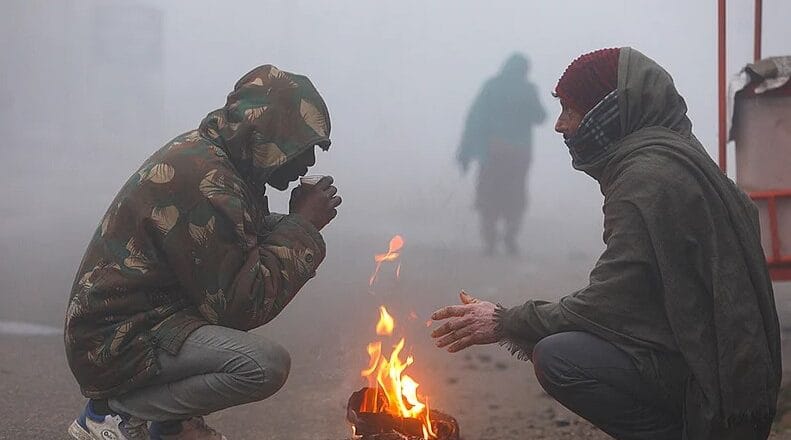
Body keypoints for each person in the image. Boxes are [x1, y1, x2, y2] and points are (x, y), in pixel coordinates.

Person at [431, 48, 781, 439]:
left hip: (715, 394)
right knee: (502, 198)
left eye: (570, 109)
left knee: (557, 357)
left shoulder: (645, 180)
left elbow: (609, 303)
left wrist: (504, 321)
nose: (560, 125)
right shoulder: (678, 157)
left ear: (607, 112)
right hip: (738, 386)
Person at [65, 65, 341, 440]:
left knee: (231, 330)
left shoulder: (219, 162)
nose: (309, 163)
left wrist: (296, 224)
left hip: (139, 323)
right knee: (263, 366)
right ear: (267, 136)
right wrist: (303, 226)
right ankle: (113, 414)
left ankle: (172, 426)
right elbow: (242, 305)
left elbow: (238, 243)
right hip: (116, 342)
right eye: (302, 149)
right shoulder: (209, 182)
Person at [456, 53, 546, 256]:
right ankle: (510, 237)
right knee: (516, 194)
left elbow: (475, 118)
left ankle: (489, 241)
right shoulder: (528, 89)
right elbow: (541, 117)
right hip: (519, 154)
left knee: (488, 193)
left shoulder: (492, 86)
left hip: (493, 152)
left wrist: (465, 151)